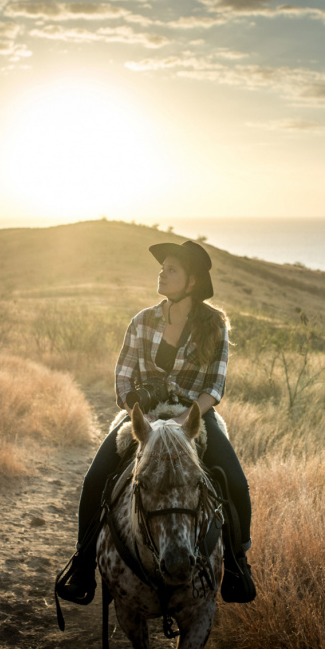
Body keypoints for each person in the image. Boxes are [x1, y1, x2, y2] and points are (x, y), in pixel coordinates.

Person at [56, 240, 255, 604]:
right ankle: (83, 564)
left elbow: (215, 385)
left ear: (191, 283)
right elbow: (123, 379)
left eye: (171, 269)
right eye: (162, 267)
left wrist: (184, 419)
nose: (162, 273)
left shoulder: (215, 325)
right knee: (95, 479)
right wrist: (142, 418)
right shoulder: (142, 320)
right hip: (142, 419)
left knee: (235, 482)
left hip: (193, 418)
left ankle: (239, 566)